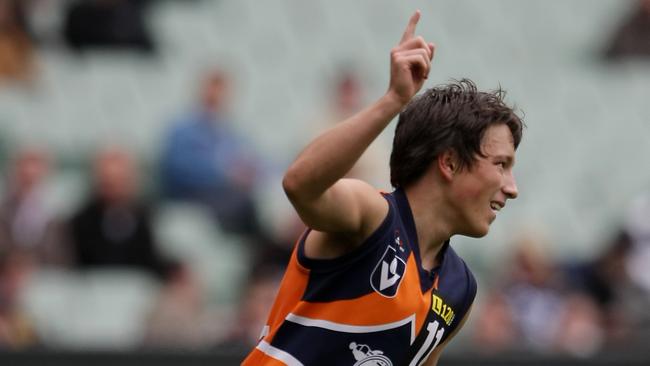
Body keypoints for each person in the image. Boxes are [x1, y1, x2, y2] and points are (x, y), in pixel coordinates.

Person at [243, 10, 524, 366]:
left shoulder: (460, 289)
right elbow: (299, 184)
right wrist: (393, 100)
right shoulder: (370, 215)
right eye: (501, 165)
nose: (512, 188)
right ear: (449, 162)